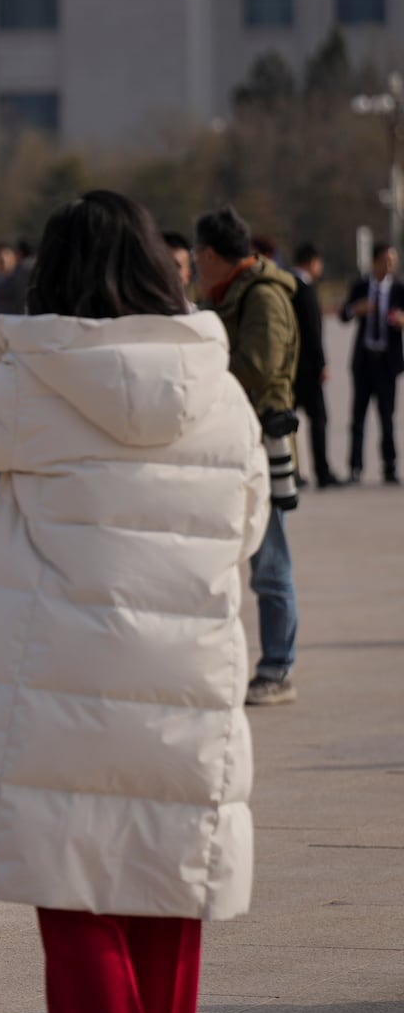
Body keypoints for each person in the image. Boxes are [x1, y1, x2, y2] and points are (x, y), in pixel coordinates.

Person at [0, 190, 268, 1013]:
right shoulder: (222, 392)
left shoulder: (34, 386)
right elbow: (248, 528)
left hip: (59, 692)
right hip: (184, 688)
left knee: (76, 899)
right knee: (169, 903)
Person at [195, 206, 301, 707]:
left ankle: (278, 666)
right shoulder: (231, 292)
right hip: (230, 439)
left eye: (197, 256)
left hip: (260, 442)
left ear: (212, 255)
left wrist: (201, 374)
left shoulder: (263, 296)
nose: (195, 265)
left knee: (270, 561)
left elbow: (257, 369)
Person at [339, 243, 404, 485]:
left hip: (387, 362)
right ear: (375, 262)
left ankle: (390, 466)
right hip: (364, 362)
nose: (390, 265)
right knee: (358, 417)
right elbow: (343, 315)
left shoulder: (399, 288)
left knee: (387, 418)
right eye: (386, 260)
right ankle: (355, 467)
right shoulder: (361, 286)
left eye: (393, 261)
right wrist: (357, 309)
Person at [291, 242, 338, 489]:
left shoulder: (287, 286)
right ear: (311, 261)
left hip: (291, 367)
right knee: (318, 419)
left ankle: (292, 471)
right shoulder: (305, 289)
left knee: (288, 421)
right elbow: (312, 332)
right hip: (308, 369)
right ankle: (322, 471)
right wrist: (322, 364)